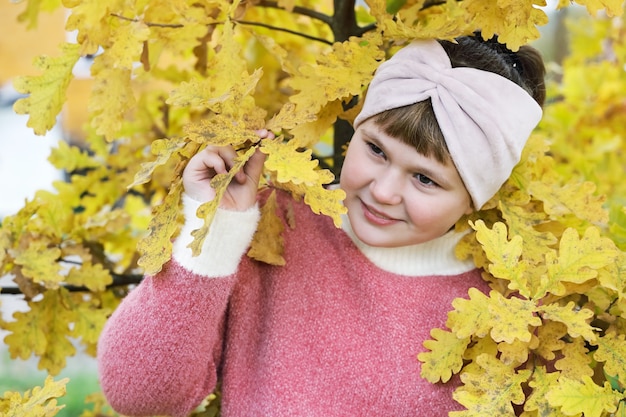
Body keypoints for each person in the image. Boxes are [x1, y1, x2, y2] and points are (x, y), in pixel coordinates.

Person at [97, 34, 546, 417]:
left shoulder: (508, 309)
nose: (384, 190)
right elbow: (139, 394)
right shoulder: (275, 228)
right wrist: (214, 231)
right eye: (376, 150)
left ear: (474, 199)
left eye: (425, 178)